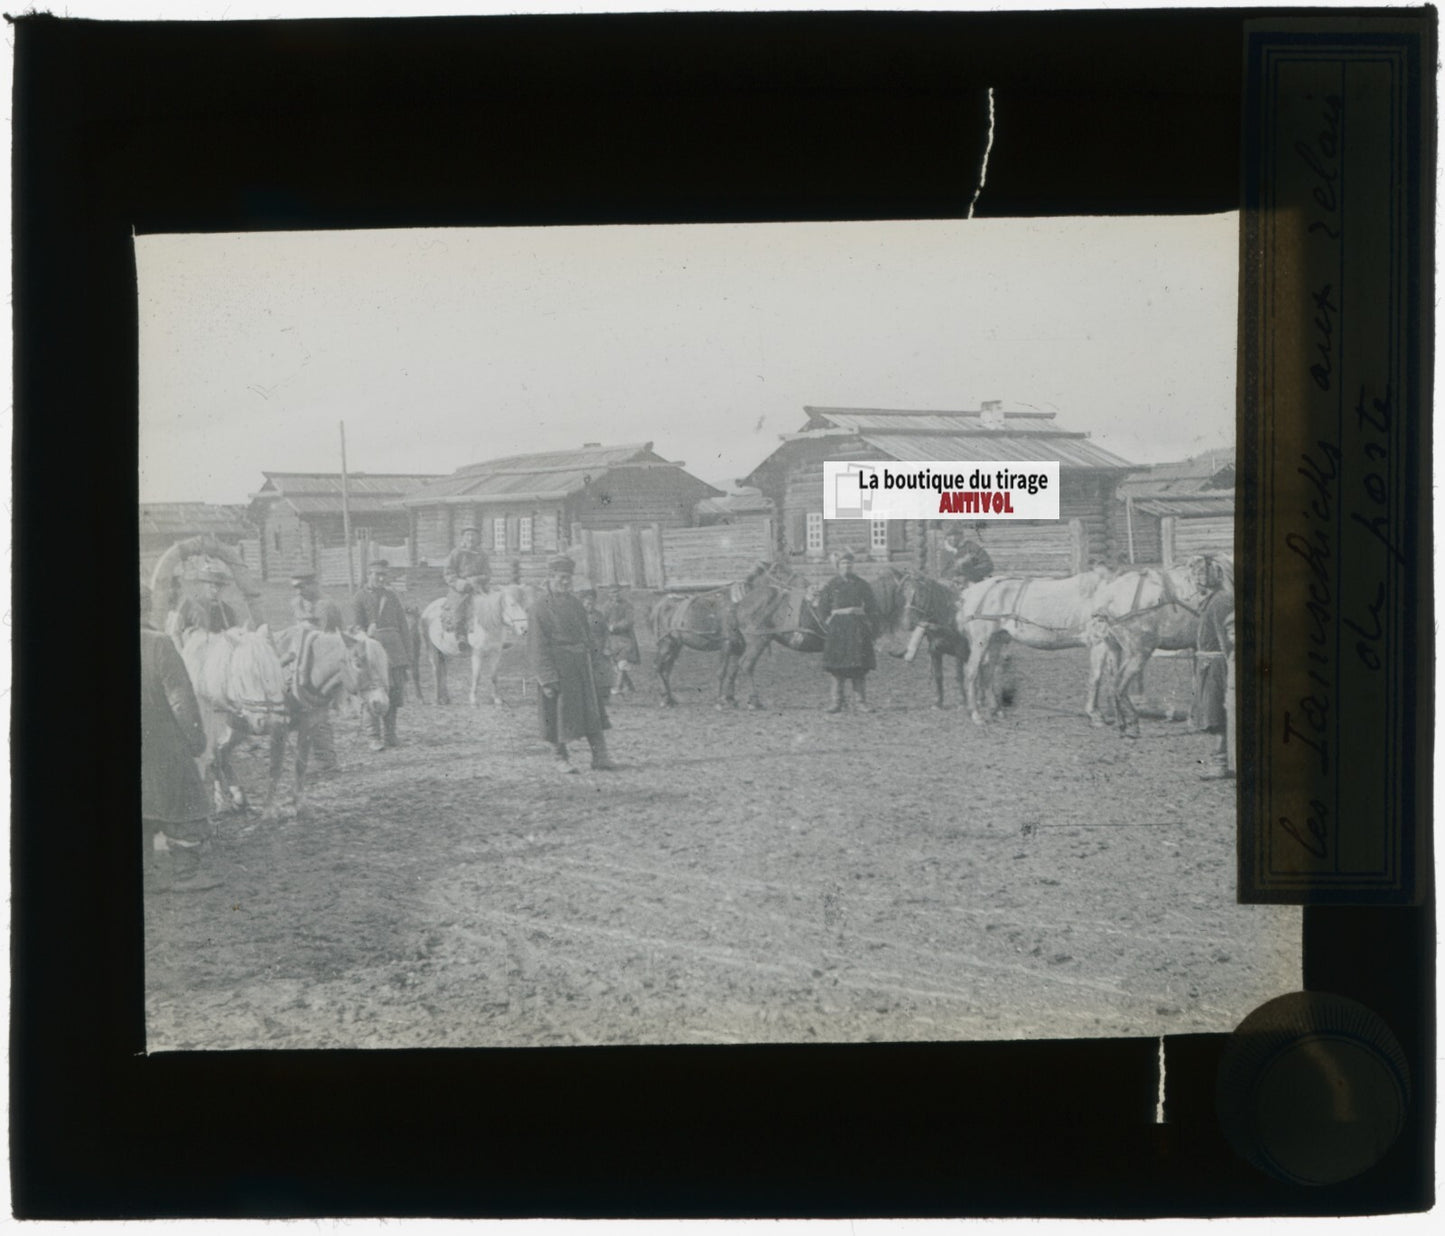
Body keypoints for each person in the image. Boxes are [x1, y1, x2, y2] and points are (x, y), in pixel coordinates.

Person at [141, 584, 221, 893]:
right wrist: (196, 740)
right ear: (147, 606)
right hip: (162, 745)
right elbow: (181, 700)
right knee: (183, 803)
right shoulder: (158, 644)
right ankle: (186, 874)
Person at [527, 555, 615, 772]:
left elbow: (587, 635)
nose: (566, 582)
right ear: (551, 577)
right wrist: (547, 678)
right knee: (557, 713)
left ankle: (600, 756)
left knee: (592, 710)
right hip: (558, 668)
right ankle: (560, 758)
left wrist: (596, 662)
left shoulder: (576, 604)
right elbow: (536, 646)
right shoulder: (539, 607)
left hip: (582, 666)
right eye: (561, 577)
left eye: (569, 577)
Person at [350, 560, 411, 751]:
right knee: (374, 693)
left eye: (384, 574)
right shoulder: (359, 597)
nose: (381, 578)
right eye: (377, 574)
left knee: (394, 693)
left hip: (394, 650)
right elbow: (355, 627)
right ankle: (373, 737)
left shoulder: (391, 596)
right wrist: (365, 632)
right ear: (369, 574)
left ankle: (390, 735)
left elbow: (403, 626)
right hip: (373, 651)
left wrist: (407, 655)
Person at [283, 572, 339, 772]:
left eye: (303, 586)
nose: (299, 591)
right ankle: (308, 755)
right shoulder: (296, 603)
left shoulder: (326, 606)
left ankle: (326, 757)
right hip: (298, 659)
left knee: (317, 709)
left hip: (319, 662)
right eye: (296, 587)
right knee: (299, 707)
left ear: (314, 584)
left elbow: (330, 639)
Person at [815, 549, 881, 714]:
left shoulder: (862, 584)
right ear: (838, 566)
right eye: (844, 563)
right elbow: (822, 609)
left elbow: (872, 607)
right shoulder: (831, 585)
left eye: (849, 563)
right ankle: (836, 702)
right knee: (837, 667)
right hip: (838, 630)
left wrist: (868, 624)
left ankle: (860, 702)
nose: (847, 566)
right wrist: (829, 623)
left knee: (859, 666)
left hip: (857, 629)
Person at [1191, 556, 1235, 779]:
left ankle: (1220, 764)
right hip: (1207, 663)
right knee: (1210, 712)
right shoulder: (1210, 599)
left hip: (1217, 666)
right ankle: (1220, 760)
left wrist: (1230, 671)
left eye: (1202, 574)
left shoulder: (1221, 601)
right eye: (1196, 574)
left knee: (1216, 712)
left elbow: (1225, 640)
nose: (1198, 579)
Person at [443, 526, 492, 652]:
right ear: (463, 537)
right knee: (458, 608)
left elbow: (487, 574)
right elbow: (448, 572)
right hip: (460, 590)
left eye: (473, 535)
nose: (471, 538)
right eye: (468, 535)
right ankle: (461, 637)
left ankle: (492, 636)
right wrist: (458, 582)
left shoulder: (482, 555)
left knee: (492, 607)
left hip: (478, 588)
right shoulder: (456, 553)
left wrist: (477, 579)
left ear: (478, 538)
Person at [175, 564, 239, 637]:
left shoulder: (229, 612)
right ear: (203, 584)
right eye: (211, 586)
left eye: (219, 586)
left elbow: (234, 636)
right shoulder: (189, 605)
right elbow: (175, 633)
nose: (215, 591)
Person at [603, 585, 641, 695]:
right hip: (612, 639)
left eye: (617, 592)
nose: (615, 594)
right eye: (612, 592)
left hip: (625, 638)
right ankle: (630, 686)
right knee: (615, 663)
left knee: (622, 662)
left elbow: (629, 620)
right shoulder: (606, 606)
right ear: (609, 594)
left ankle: (618, 687)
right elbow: (603, 619)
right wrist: (605, 626)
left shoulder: (627, 605)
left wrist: (615, 627)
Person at [579, 587, 614, 704]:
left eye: (592, 601)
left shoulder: (598, 615)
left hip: (599, 646)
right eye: (587, 602)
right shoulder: (578, 615)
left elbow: (606, 631)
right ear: (582, 602)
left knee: (603, 671)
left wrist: (607, 646)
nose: (590, 604)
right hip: (584, 647)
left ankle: (604, 696)